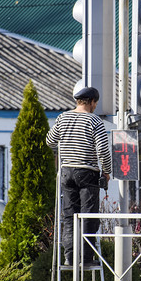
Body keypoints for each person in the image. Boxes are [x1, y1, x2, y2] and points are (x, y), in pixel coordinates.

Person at [46, 86, 112, 266]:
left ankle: (69, 258)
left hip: (66, 171)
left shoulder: (63, 117)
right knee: (88, 216)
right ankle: (86, 259)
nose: (96, 106)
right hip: (87, 172)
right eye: (95, 103)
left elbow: (50, 140)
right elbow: (103, 150)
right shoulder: (94, 121)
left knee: (69, 216)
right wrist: (106, 172)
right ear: (91, 102)